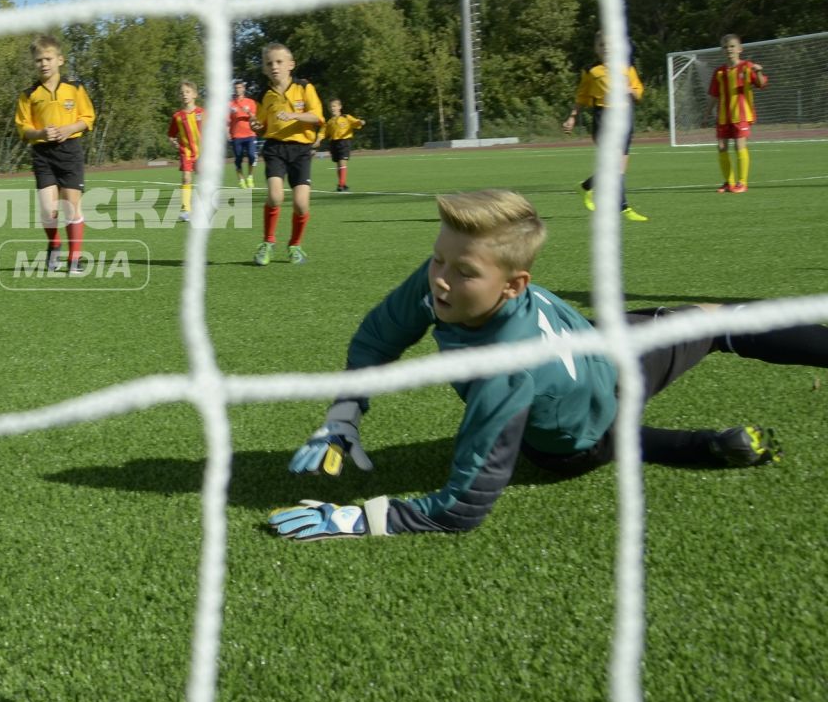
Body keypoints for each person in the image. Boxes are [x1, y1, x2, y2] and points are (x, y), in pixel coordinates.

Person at [269, 189, 816, 539]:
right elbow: (376, 338)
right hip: (597, 347)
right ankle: (710, 445)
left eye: (463, 271)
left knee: (599, 437)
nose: (439, 277)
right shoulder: (443, 279)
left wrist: (355, 518)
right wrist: (344, 414)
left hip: (577, 427)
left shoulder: (506, 371)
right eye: (438, 258)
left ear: (514, 285)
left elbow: (461, 509)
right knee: (711, 321)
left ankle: (697, 447)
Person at [14, 34, 95, 272]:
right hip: (43, 154)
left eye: (48, 58)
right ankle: (54, 244)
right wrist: (40, 134)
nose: (44, 64)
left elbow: (88, 117)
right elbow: (23, 127)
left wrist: (69, 128)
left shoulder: (75, 88)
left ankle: (74, 258)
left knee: (71, 206)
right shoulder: (29, 94)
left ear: (60, 59)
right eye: (39, 60)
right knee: (49, 210)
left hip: (70, 152)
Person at [251, 43, 322, 265]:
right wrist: (257, 126)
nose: (274, 66)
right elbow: (262, 125)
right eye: (269, 63)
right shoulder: (264, 95)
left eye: (279, 62)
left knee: (301, 204)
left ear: (291, 65)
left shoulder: (304, 87)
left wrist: (293, 116)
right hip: (274, 148)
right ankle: (268, 243)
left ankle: (295, 245)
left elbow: (317, 117)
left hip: (300, 150)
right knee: (275, 196)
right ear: (264, 68)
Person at [562, 46, 648, 221]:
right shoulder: (591, 71)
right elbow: (581, 96)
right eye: (602, 46)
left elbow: (638, 94)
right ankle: (624, 208)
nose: (607, 49)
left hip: (625, 117)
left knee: (617, 169)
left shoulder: (627, 68)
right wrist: (572, 117)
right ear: (597, 48)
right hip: (603, 118)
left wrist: (630, 91)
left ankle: (586, 186)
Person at [709, 34, 769, 194]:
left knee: (738, 146)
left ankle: (742, 182)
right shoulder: (719, 72)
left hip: (741, 115)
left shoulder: (747, 67)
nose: (729, 50)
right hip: (723, 115)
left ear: (740, 49)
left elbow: (761, 84)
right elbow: (714, 94)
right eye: (725, 47)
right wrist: (707, 112)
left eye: (732, 46)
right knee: (721, 147)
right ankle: (729, 182)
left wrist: (760, 71)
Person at [166, 81, 204, 220]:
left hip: (202, 154)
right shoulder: (177, 116)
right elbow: (171, 134)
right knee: (186, 178)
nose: (184, 95)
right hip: (186, 152)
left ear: (194, 94)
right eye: (182, 93)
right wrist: (173, 141)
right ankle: (186, 209)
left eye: (187, 92)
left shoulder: (202, 113)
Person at [321, 99, 365, 193]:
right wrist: (318, 139)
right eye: (331, 106)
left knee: (342, 163)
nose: (332, 108)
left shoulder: (346, 117)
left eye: (334, 106)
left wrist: (360, 122)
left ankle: (341, 185)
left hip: (344, 142)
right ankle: (342, 184)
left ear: (340, 107)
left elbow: (355, 122)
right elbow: (324, 132)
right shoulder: (329, 121)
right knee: (338, 165)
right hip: (333, 143)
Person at [228, 79, 259, 189]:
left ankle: (250, 177)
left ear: (244, 89)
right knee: (238, 159)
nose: (238, 89)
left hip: (250, 134)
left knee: (252, 156)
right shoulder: (230, 104)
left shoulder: (250, 102)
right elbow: (226, 121)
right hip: (236, 136)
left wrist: (248, 112)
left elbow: (255, 118)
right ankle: (241, 180)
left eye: (240, 87)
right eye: (236, 88)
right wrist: (227, 132)